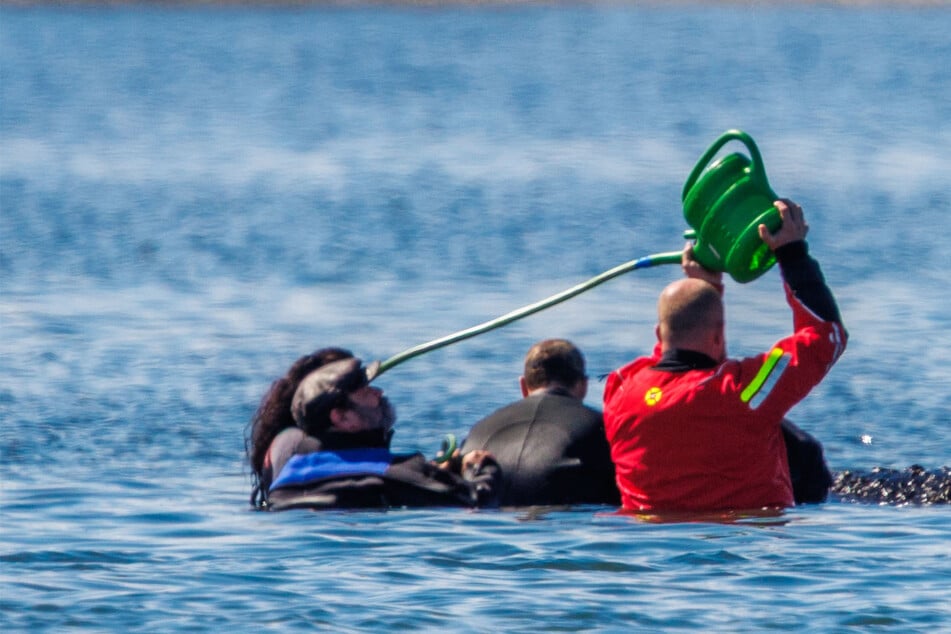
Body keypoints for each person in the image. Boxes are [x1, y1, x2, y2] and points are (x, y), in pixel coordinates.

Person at [602, 200, 847, 512]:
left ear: (659, 335)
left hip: (645, 543)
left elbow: (667, 369)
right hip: (742, 547)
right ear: (718, 337)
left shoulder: (619, 390)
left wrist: (705, 288)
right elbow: (827, 336)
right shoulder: (741, 392)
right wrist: (792, 255)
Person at [246, 348, 500, 511]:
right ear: (342, 418)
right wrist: (481, 468)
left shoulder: (285, 482)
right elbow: (478, 500)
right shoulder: (397, 473)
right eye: (366, 391)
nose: (379, 392)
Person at [460, 339, 620, 507]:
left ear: (523, 385)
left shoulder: (477, 431)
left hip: (485, 515)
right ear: (583, 386)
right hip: (566, 516)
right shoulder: (607, 429)